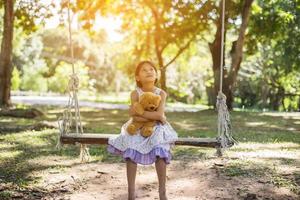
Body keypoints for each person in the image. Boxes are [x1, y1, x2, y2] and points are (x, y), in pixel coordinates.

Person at [107, 60, 178, 200]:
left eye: (151, 69)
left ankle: (162, 192)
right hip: (136, 126)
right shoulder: (135, 93)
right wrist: (156, 117)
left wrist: (147, 115)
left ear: (156, 74)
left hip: (156, 128)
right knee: (131, 144)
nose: (149, 71)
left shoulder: (161, 93)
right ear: (137, 77)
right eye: (144, 70)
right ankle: (131, 193)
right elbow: (136, 115)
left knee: (159, 147)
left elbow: (157, 115)